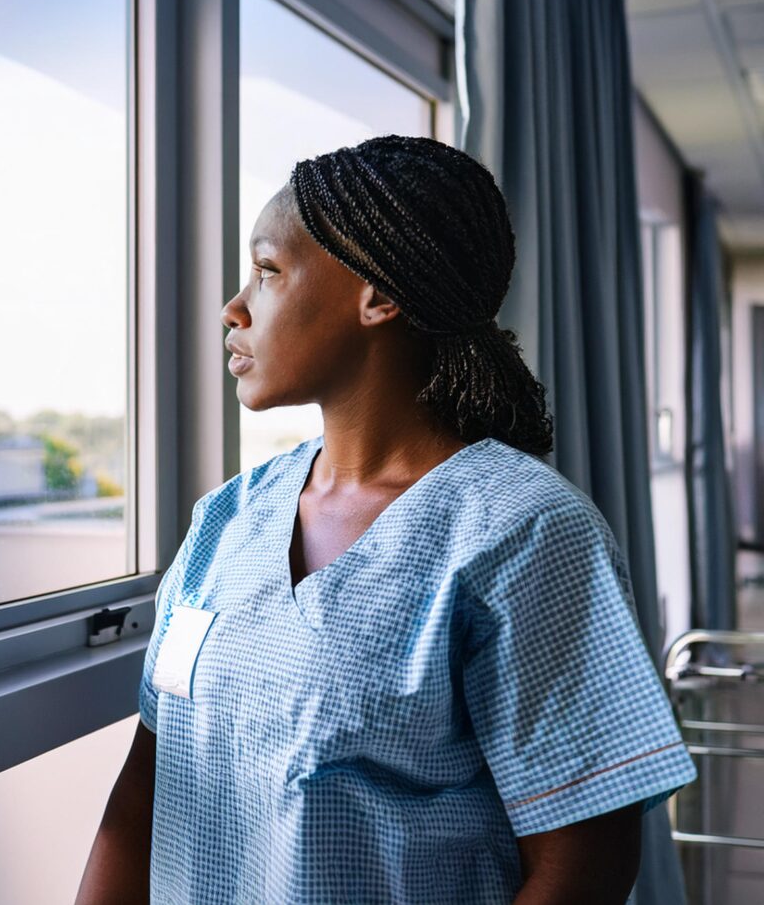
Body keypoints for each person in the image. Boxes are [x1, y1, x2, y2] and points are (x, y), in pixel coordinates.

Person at [75, 135, 696, 904]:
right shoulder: (225, 522)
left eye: (267, 270)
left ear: (377, 294)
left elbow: (583, 866)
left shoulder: (526, 534)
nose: (233, 308)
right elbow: (141, 799)